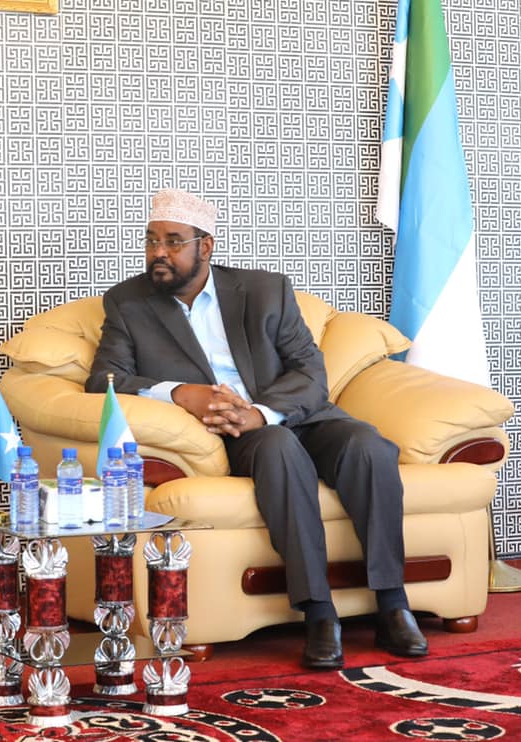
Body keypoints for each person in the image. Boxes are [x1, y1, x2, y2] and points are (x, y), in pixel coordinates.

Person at [86, 188, 427, 670]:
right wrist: (180, 392)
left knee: (367, 445)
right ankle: (319, 611)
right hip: (238, 435)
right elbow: (104, 379)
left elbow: (311, 372)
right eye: (152, 240)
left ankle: (393, 603)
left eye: (173, 241)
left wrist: (262, 411)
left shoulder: (266, 290)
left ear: (205, 246)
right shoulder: (128, 302)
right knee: (278, 448)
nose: (158, 252)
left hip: (293, 415)